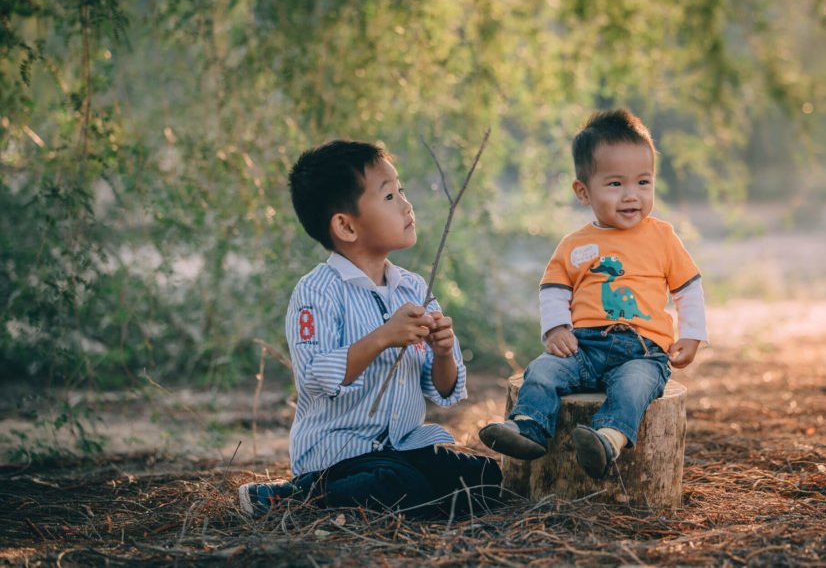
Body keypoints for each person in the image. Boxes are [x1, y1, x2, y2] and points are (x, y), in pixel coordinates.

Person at [238, 140, 502, 518]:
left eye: (402, 191)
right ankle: (297, 495)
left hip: (404, 448)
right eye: (390, 196)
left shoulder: (413, 289)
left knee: (487, 479)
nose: (407, 205)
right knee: (396, 486)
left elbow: (442, 389)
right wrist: (383, 337)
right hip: (340, 455)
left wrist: (443, 351)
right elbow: (316, 377)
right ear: (346, 226)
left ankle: (395, 493)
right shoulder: (317, 292)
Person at [479, 109, 708, 479]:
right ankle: (527, 427)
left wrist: (693, 335)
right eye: (615, 184)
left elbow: (688, 287)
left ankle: (608, 439)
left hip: (643, 350)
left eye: (643, 183)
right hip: (582, 347)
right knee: (542, 370)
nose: (632, 195)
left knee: (634, 388)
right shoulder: (576, 244)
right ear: (583, 191)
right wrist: (556, 330)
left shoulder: (662, 236)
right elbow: (554, 289)